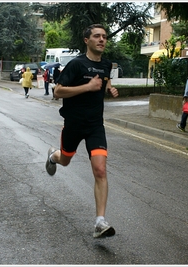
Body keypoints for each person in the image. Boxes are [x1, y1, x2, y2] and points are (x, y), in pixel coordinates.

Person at [45, 24, 119, 238]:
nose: (102, 40)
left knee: (100, 170)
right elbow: (58, 92)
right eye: (97, 36)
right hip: (74, 124)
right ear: (86, 40)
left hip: (96, 125)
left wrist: (109, 89)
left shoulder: (106, 65)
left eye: (104, 36)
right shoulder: (76, 65)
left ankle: (100, 222)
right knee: (65, 160)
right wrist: (87, 87)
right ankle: (53, 156)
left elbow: (104, 83)